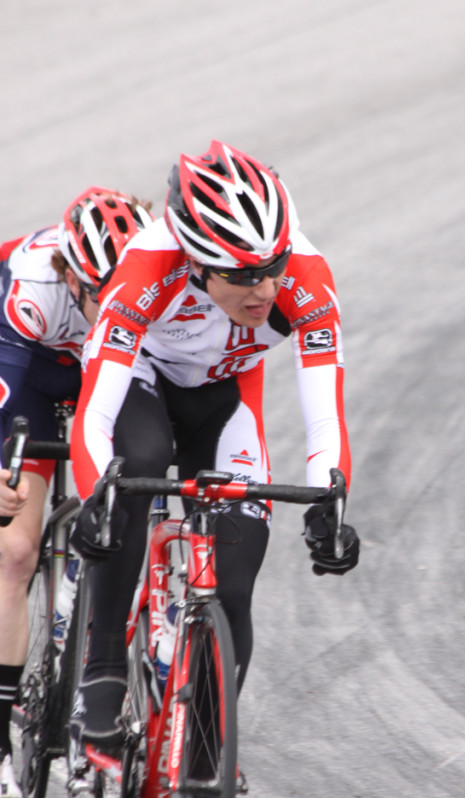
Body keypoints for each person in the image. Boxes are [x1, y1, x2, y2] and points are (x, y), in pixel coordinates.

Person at [69, 140, 360, 747]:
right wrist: (96, 496)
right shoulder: (149, 266)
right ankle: (103, 667)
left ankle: (203, 764)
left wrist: (329, 505)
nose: (265, 290)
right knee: (136, 467)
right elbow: (96, 410)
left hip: (224, 398)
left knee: (230, 585)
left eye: (273, 266)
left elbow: (325, 417)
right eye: (242, 275)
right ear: (197, 264)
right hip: (143, 385)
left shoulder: (306, 278)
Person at [0, 188, 154, 798]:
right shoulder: (33, 287)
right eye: (100, 294)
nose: (113, 305)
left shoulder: (155, 280)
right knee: (15, 549)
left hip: (106, 367)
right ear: (72, 278)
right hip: (30, 370)